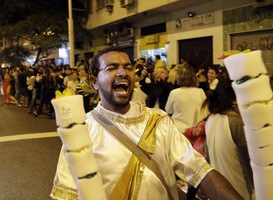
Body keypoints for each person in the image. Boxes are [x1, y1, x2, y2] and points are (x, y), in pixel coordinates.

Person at [51, 47, 243, 200]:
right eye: (111, 68)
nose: (122, 73)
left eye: (128, 67)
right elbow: (67, 194)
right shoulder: (81, 130)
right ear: (94, 81)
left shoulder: (158, 121)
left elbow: (199, 171)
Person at [204, 70, 254, 200]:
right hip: (239, 192)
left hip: (219, 192)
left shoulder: (212, 118)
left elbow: (208, 160)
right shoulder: (237, 124)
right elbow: (251, 165)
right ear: (236, 100)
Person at [165, 63, 208, 134]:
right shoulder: (200, 92)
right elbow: (206, 112)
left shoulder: (174, 92)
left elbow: (168, 110)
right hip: (195, 131)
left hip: (178, 131)